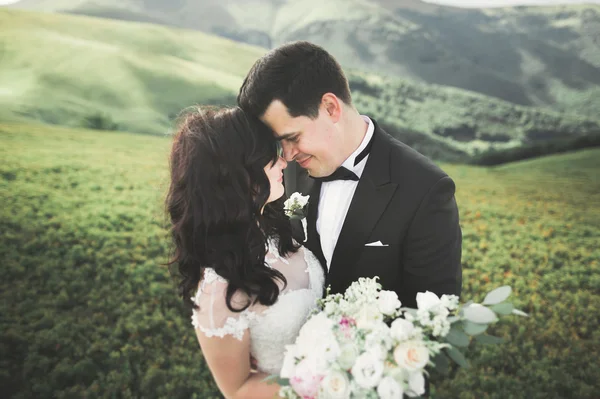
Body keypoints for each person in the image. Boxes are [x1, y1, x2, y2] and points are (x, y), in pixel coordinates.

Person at [237, 41, 462, 308]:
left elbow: (433, 316)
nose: (286, 156)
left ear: (330, 107)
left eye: (293, 137)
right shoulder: (285, 173)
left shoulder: (426, 190)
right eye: (279, 143)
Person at [165, 106, 325, 398]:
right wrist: (329, 380)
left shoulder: (276, 230)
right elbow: (237, 389)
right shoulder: (219, 291)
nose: (283, 162)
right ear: (236, 174)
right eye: (268, 157)